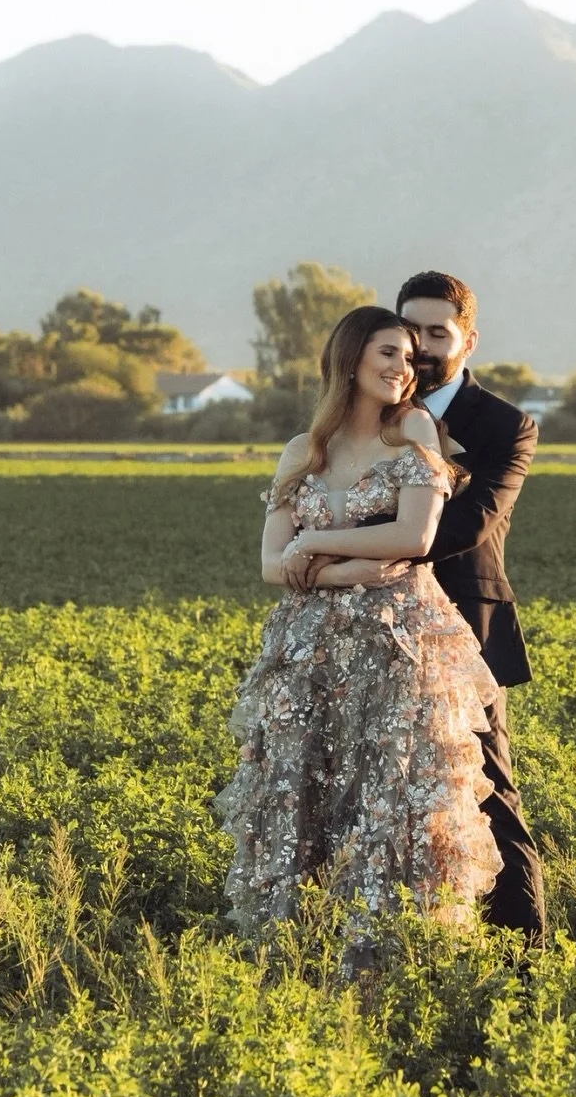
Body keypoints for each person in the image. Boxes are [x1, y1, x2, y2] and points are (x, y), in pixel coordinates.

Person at [215, 306, 502, 947]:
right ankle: (294, 954)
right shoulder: (302, 451)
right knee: (300, 791)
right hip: (309, 648)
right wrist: (348, 570)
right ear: (350, 360)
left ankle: (391, 961)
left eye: (410, 359)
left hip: (397, 643)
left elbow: (414, 535)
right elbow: (269, 563)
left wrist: (312, 543)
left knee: (393, 797)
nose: (405, 370)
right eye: (389, 355)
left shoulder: (415, 434)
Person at [339, 271, 546, 946]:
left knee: (486, 798)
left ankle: (524, 955)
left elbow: (464, 528)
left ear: (468, 340)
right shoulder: (366, 416)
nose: (420, 347)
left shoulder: (505, 426)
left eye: (437, 332)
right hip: (364, 631)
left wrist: (337, 554)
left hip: (463, 631)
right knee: (367, 796)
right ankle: (398, 946)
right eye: (409, 330)